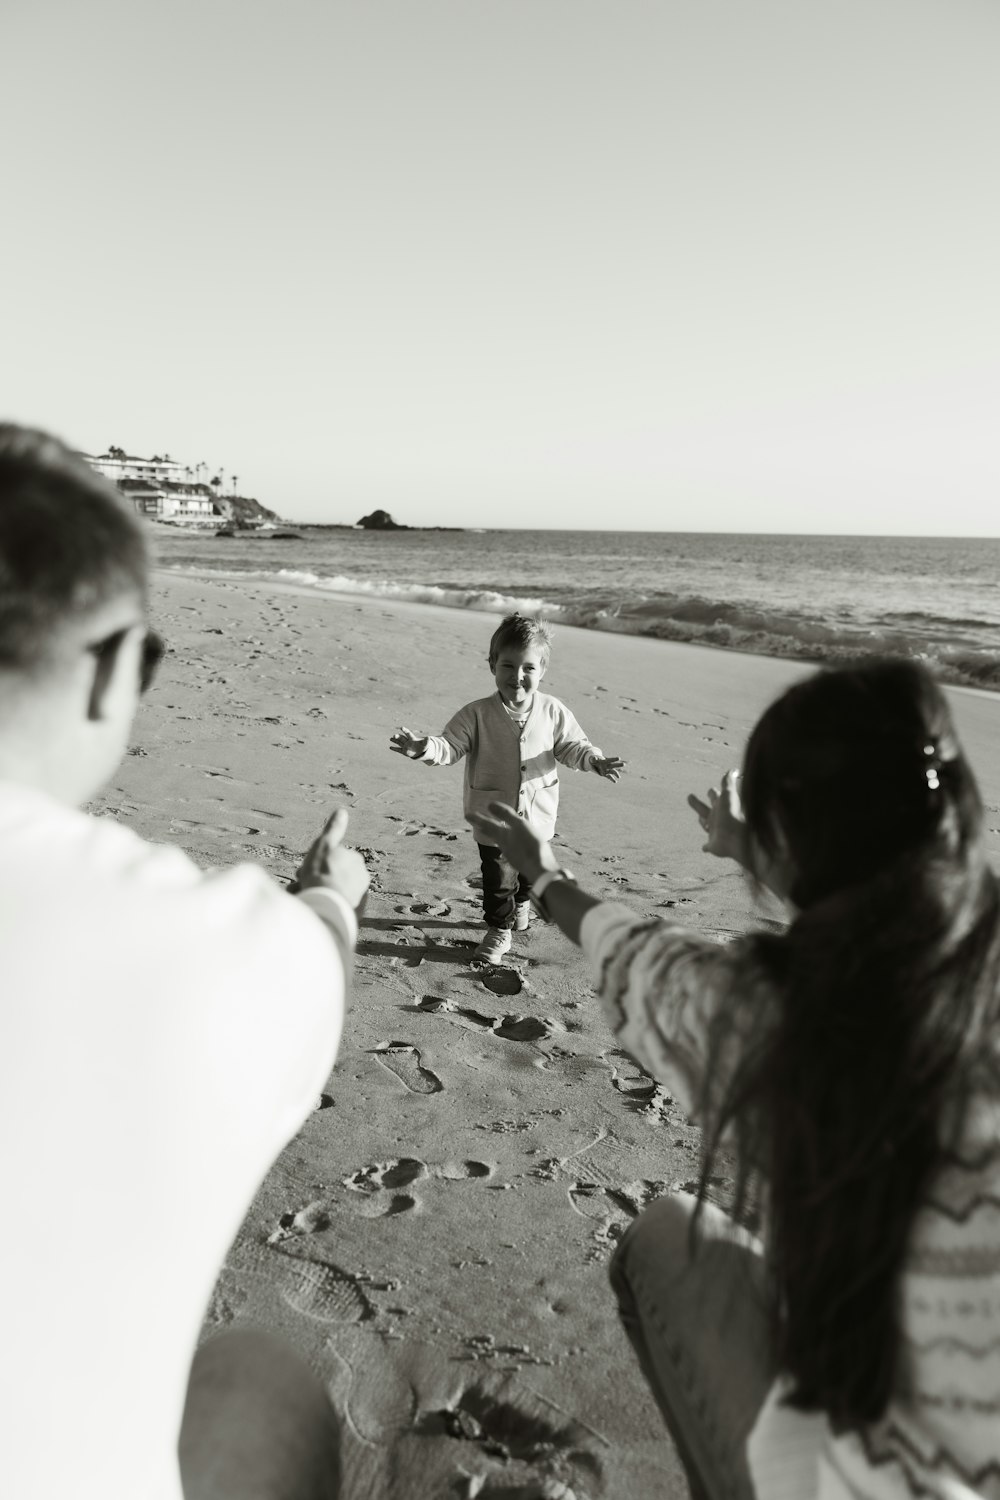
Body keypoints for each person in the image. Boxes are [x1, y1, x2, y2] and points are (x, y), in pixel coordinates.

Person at [478, 659, 1000, 1500]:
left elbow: (639, 957)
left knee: (662, 1236)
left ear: (798, 843)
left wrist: (541, 872)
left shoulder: (785, 1021)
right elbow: (881, 905)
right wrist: (761, 850)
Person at [0, 423, 368, 1500]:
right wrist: (333, 895)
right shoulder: (214, 947)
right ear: (111, 668)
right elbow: (316, 962)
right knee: (262, 1381)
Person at [389, 612, 625, 963]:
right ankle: (499, 930)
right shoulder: (476, 714)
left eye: (528, 668)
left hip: (538, 815)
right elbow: (450, 746)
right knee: (498, 879)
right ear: (492, 665)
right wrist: (424, 748)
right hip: (492, 817)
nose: (518, 676)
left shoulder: (553, 711)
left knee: (530, 871)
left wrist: (595, 760)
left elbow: (572, 746)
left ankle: (524, 903)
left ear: (542, 670)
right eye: (508, 666)